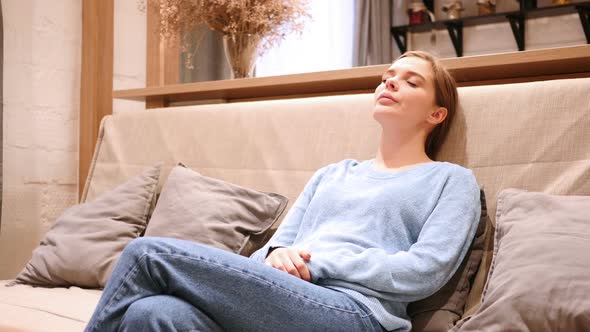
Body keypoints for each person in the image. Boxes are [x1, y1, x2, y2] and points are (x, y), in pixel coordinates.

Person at [84, 51, 481, 332]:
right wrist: (278, 255)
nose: (391, 81)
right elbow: (270, 252)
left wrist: (319, 263)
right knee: (153, 314)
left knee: (146, 254)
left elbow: (425, 272)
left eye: (411, 82)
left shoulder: (450, 180)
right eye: (388, 76)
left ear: (436, 114)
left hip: (356, 313)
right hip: (284, 299)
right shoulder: (333, 174)